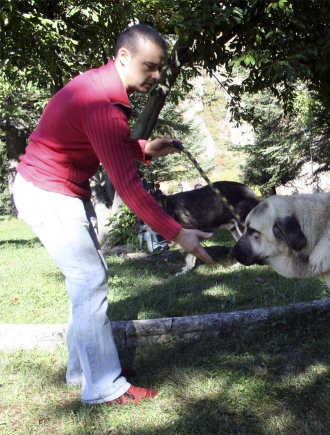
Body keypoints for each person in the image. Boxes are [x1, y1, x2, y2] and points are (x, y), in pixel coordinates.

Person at [12, 24, 214, 406]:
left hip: (63, 189)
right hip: (46, 191)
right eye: (150, 67)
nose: (156, 77)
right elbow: (128, 186)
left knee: (87, 280)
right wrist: (176, 232)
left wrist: (146, 148)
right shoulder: (102, 103)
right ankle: (103, 385)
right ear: (124, 57)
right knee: (89, 280)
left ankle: (83, 370)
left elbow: (105, 142)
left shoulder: (101, 88)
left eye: (160, 69)